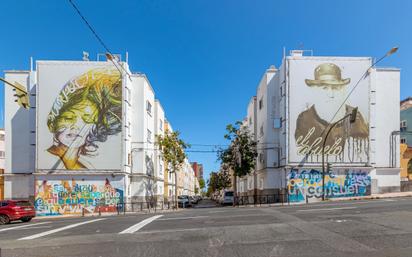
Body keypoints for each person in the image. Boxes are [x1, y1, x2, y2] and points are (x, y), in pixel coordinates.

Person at [46, 68, 122, 170]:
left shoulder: (86, 168)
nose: (76, 126)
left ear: (96, 128)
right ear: (54, 121)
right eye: (68, 117)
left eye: (87, 120)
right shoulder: (46, 160)